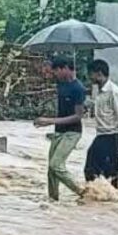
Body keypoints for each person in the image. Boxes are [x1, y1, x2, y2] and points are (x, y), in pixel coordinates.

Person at [35, 57, 86, 201]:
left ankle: (82, 192)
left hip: (72, 132)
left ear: (65, 68)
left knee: (56, 165)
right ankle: (53, 200)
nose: (55, 74)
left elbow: (78, 116)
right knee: (51, 170)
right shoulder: (61, 83)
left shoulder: (78, 88)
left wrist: (49, 121)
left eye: (57, 71)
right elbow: (47, 72)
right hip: (59, 131)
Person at [84, 59, 118, 189]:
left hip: (112, 137)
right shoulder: (98, 91)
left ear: (99, 73)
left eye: (91, 74)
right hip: (101, 136)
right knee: (91, 171)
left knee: (109, 175)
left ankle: (110, 197)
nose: (89, 77)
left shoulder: (113, 91)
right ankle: (97, 196)